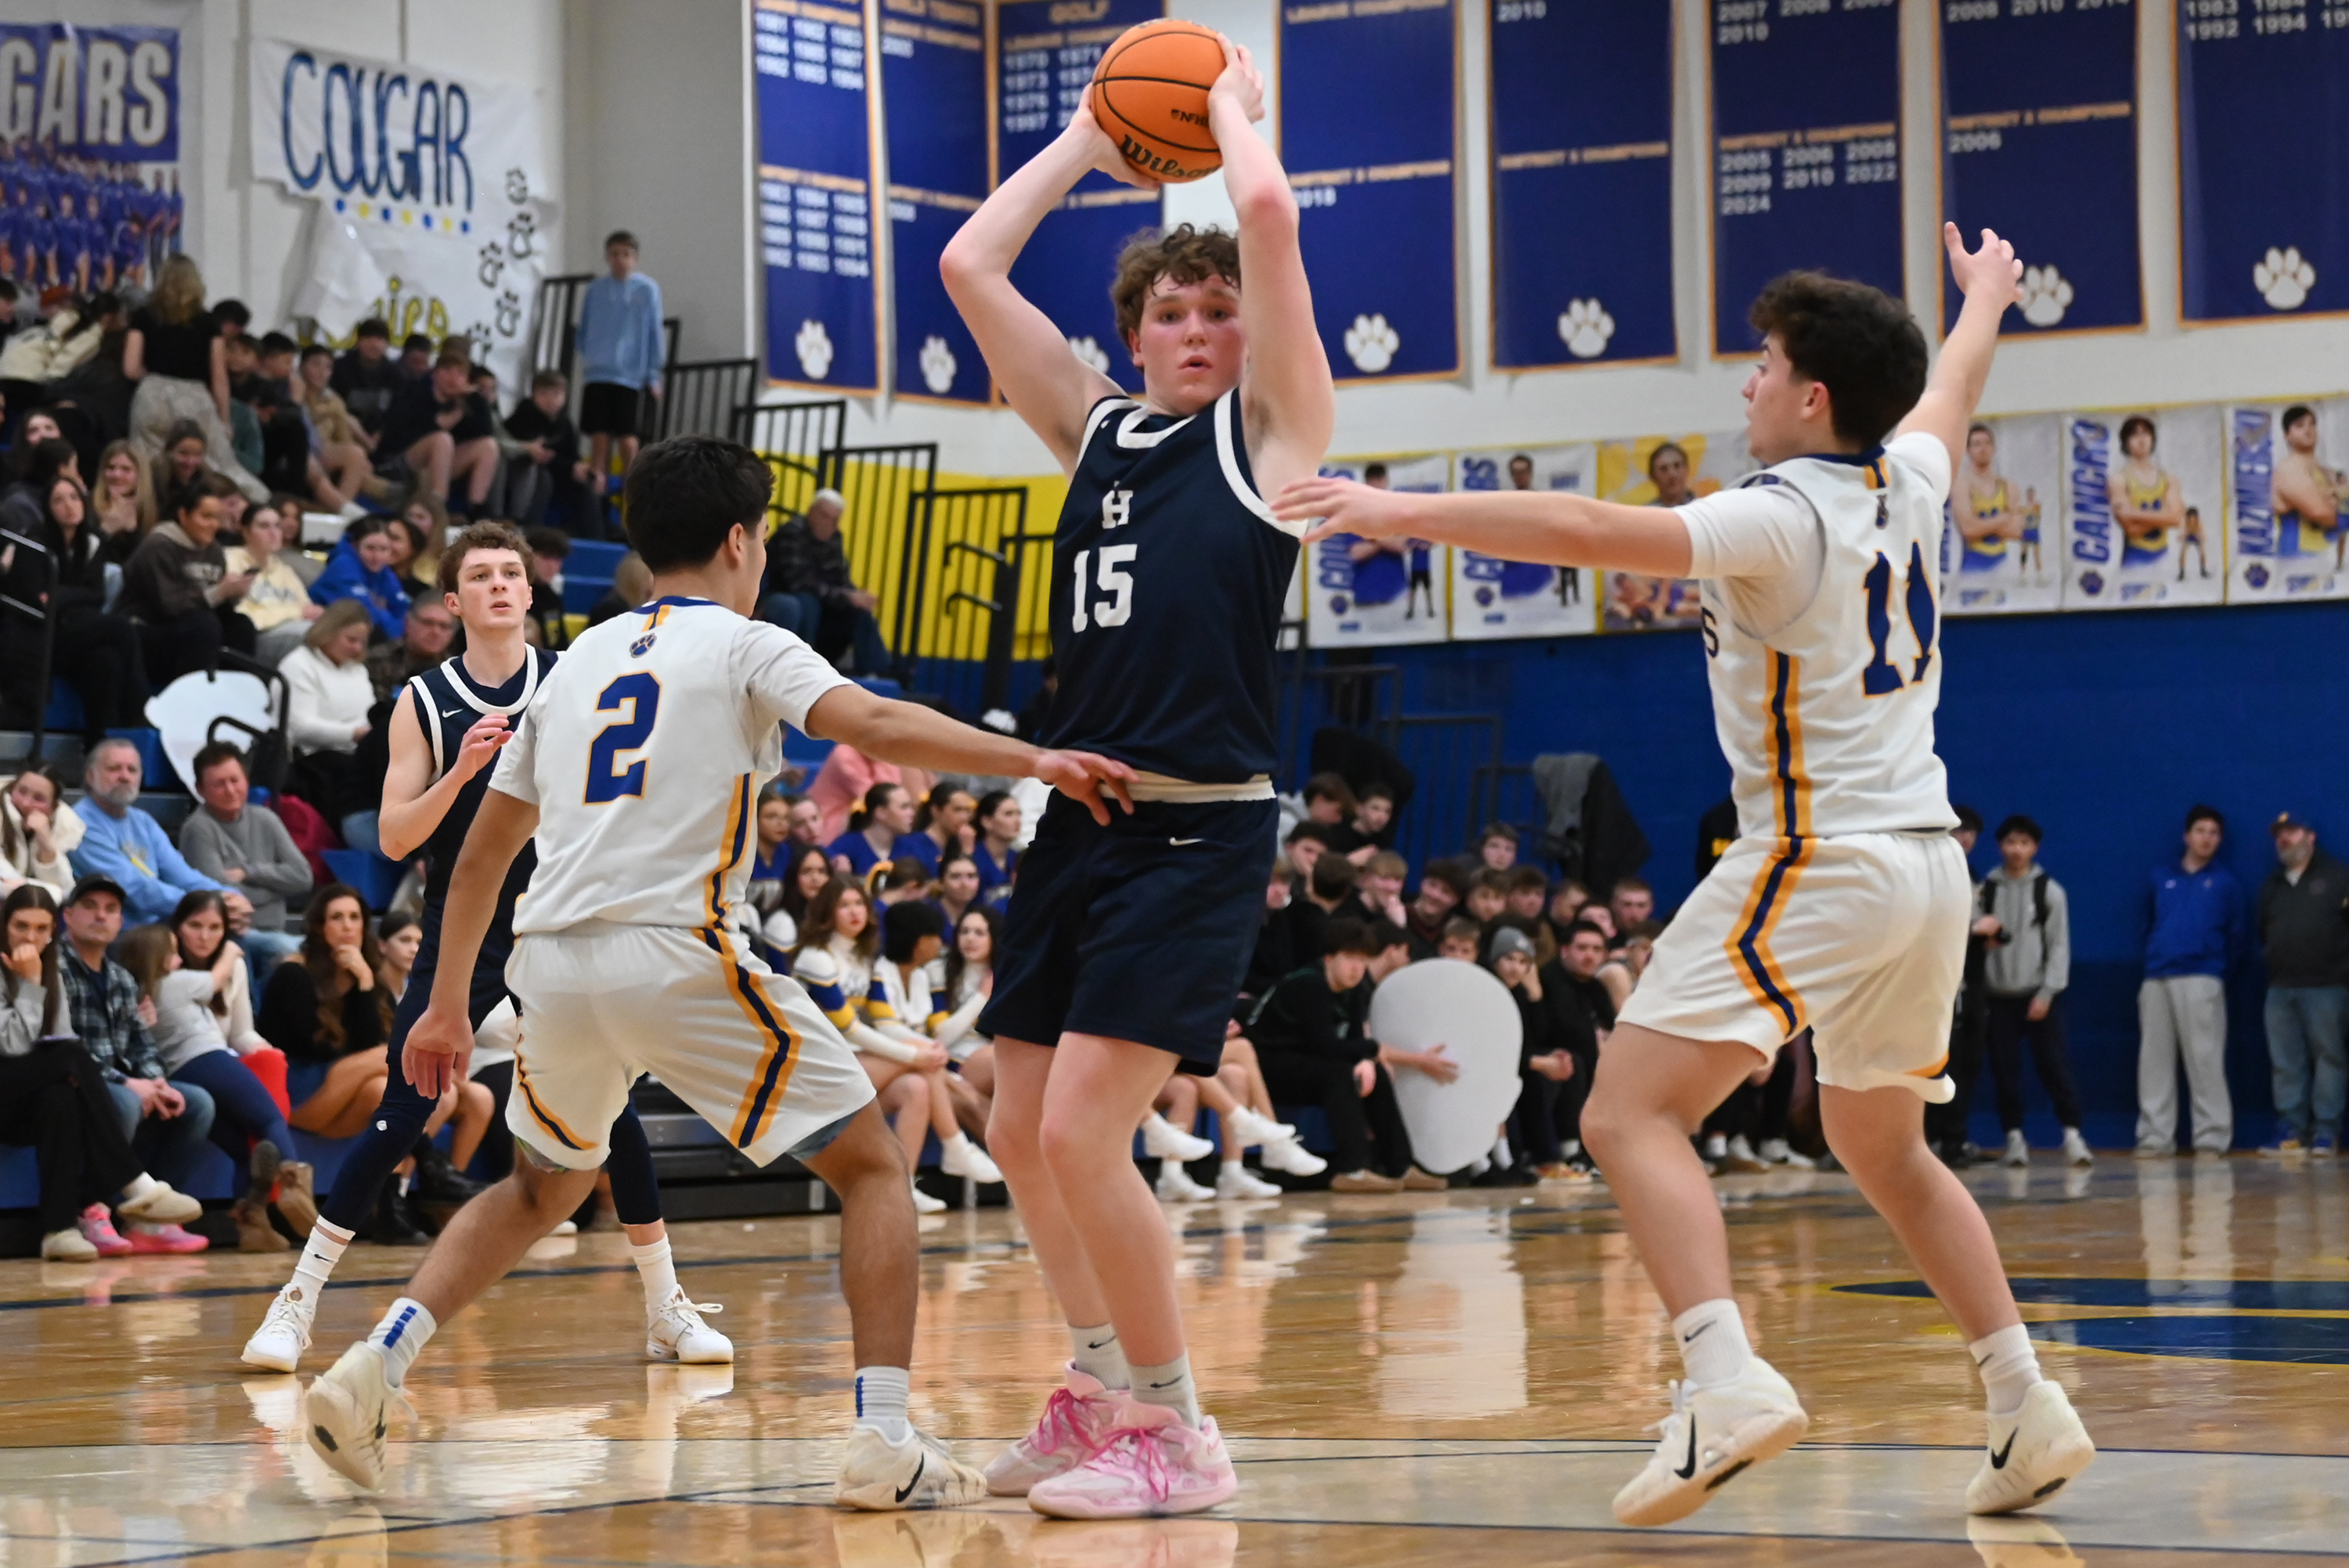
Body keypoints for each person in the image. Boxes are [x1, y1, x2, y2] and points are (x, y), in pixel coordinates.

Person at [1271, 226, 2094, 1523]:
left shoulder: (1778, 514)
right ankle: (2025, 1399)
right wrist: (1988, 294)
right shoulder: (1911, 477)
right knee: (1882, 1143)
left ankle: (1724, 1374)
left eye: (1763, 362)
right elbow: (1952, 389)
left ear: (1812, 395)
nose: (1746, 381)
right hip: (1931, 865)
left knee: (1625, 1114)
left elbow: (1585, 526)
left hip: (1819, 852)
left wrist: (1397, 509)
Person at [299, 434, 1131, 1507]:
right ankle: (884, 1437)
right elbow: (876, 720)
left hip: (551, 963)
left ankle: (372, 1366)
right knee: (875, 1168)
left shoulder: (575, 661)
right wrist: (1034, 758)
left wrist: (448, 1002)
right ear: (742, 541)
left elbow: (481, 856)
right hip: (675, 944)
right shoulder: (747, 643)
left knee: (540, 1185)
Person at [941, 37, 1334, 1508]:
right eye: (1172, 311)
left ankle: (1178, 1428)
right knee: (1012, 1121)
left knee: (1083, 1132)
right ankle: (1102, 1383)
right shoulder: (1095, 427)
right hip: (1082, 823)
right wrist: (1089, 145)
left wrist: (1226, 110)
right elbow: (971, 265)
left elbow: (1269, 215)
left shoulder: (1275, 436)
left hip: (1196, 832)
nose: (1199, 329)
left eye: (1220, 310)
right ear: (1136, 334)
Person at [243, 520, 729, 1375]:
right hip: (465, 922)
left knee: (615, 1111)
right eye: (481, 575)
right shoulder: (423, 701)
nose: (500, 584)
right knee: (403, 1108)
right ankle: (297, 1301)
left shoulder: (575, 678)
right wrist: (462, 772)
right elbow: (395, 837)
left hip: (565, 914)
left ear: (531, 593)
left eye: (511, 572)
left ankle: (666, 1305)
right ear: (453, 599)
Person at [0, 883, 209, 1262]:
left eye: (41, 928)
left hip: (26, 1096)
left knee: (60, 1098)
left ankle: (60, 1230)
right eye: (21, 926)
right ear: (4, 926)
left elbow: (55, 1043)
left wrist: (153, 1081)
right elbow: (13, 1046)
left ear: (52, 931)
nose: (30, 938)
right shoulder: (26, 973)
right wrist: (29, 986)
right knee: (71, 1055)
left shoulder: (52, 972)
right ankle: (136, 1185)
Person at [792, 879, 1001, 1211]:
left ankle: (904, 1187)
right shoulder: (815, 958)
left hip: (853, 1064)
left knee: (917, 1088)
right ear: (827, 913)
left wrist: (923, 1053)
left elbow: (883, 1020)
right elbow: (850, 1027)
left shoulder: (864, 960)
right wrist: (915, 1055)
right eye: (844, 905)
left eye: (859, 904)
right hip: (813, 1067)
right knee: (922, 1064)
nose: (854, 912)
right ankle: (955, 1146)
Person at [117, 913, 306, 1251]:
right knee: (269, 1120)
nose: (178, 958)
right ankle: (296, 1189)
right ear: (157, 958)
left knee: (246, 1150)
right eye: (172, 952)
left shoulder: (141, 997)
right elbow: (218, 978)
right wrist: (231, 950)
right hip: (205, 1059)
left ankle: (252, 1225)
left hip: (180, 1076)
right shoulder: (175, 981)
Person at [58, 873, 218, 1231]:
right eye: (90, 906)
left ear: (120, 921)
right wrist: (129, 1084)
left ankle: (152, 1219)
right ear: (68, 915)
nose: (101, 915)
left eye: (111, 909)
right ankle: (90, 1210)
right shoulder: (54, 969)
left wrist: (156, 1082)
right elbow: (65, 1048)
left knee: (197, 1104)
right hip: (74, 1083)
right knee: (125, 1103)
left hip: (123, 1082)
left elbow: (140, 1043)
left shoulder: (120, 978)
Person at [1247, 917, 1436, 1194]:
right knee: (1338, 1074)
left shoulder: (1354, 989)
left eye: (1362, 960)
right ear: (1330, 958)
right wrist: (1371, 1051)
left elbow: (1354, 1039)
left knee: (1376, 1074)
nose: (1356, 967)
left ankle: (1400, 1166)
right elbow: (1327, 1046)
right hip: (1270, 1065)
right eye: (1349, 958)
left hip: (1310, 1061)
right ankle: (1352, 1169)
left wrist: (1366, 1061)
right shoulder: (1308, 984)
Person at [0, 463, 149, 744]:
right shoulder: (34, 543)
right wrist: (72, 597)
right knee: (120, 628)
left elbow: (96, 595)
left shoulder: (91, 542)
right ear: (48, 508)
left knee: (107, 661)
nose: (69, 506)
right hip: (43, 635)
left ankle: (99, 745)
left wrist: (59, 595)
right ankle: (139, 709)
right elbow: (35, 600)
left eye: (74, 498)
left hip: (77, 628)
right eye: (59, 500)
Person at [1979, 816, 2091, 1168]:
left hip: (2039, 996)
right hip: (1998, 997)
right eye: (2011, 842)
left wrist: (2047, 993)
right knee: (2005, 1072)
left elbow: (2059, 946)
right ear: (2000, 846)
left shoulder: (2050, 891)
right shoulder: (1985, 891)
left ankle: (2072, 1135)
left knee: (2055, 1067)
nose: (2017, 850)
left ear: (2035, 848)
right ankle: (2014, 1138)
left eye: (2024, 843)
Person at [2138, 805, 2247, 1157]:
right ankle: (2155, 1137)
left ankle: (2212, 1137)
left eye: (2214, 833)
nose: (2207, 839)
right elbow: (2148, 924)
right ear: (2187, 836)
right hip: (2158, 978)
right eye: (2201, 831)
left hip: (2202, 977)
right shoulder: (2161, 877)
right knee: (2154, 1063)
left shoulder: (2226, 883)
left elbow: (2237, 936)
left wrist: (2215, 972)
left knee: (2205, 1062)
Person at [68, 737, 257, 929]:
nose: (125, 777)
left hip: (163, 927)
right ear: (90, 776)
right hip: (117, 933)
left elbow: (183, 875)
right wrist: (209, 906)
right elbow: (136, 889)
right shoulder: (79, 824)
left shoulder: (143, 821)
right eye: (114, 769)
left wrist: (229, 896)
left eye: (132, 770)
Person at [122, 254, 266, 501]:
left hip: (153, 396)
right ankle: (248, 507)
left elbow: (130, 368)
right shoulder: (208, 323)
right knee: (213, 466)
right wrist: (225, 420)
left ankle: (148, 512)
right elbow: (219, 377)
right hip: (194, 399)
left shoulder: (143, 316)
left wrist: (153, 376)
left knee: (147, 467)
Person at [2256, 812, 2349, 1157]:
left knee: (2329, 1058)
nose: (2284, 838)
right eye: (2279, 834)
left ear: (2311, 836)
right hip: (2280, 987)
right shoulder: (2272, 886)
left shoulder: (2338, 877)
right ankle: (2291, 1129)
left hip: (2328, 986)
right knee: (2285, 1062)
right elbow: (2262, 930)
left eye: (2292, 831)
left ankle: (2326, 1131)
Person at [119, 473, 255, 687]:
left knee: (241, 625)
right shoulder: (158, 546)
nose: (214, 525)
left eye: (218, 518)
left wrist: (233, 593)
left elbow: (213, 603)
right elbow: (170, 606)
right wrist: (219, 592)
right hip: (145, 631)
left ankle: (234, 693)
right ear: (183, 515)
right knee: (204, 625)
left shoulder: (214, 551)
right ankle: (192, 696)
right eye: (206, 517)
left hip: (191, 628)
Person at [177, 742, 313, 944]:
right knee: (291, 948)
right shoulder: (197, 828)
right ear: (201, 790)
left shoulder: (266, 819)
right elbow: (220, 895)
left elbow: (303, 876)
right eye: (219, 784)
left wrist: (250, 872)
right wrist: (276, 890)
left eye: (235, 780)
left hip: (276, 930)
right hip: (231, 935)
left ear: (247, 781)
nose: (230, 790)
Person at [760, 488, 893, 675]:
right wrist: (846, 596)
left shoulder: (834, 539)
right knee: (807, 602)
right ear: (811, 512)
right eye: (824, 516)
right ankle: (801, 667)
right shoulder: (792, 533)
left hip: (819, 602)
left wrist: (856, 597)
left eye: (834, 519)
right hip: (781, 596)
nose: (828, 523)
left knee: (858, 611)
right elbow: (798, 582)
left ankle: (879, 673)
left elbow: (840, 579)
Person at [577, 230, 666, 489]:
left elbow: (654, 332)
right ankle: (597, 491)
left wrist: (653, 374)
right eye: (615, 254)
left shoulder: (647, 290)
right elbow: (584, 327)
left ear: (635, 258)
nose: (620, 260)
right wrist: (590, 355)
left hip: (630, 375)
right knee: (599, 434)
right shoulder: (596, 289)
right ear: (607, 257)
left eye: (626, 254)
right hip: (597, 372)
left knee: (628, 436)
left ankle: (632, 490)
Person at [280, 601, 379, 830]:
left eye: (362, 642)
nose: (357, 648)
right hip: (312, 760)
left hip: (356, 752)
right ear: (329, 632)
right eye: (351, 640)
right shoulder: (299, 665)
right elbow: (299, 727)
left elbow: (369, 713)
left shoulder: (358, 670)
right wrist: (354, 734)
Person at [377, 342, 500, 511]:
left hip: (437, 468)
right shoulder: (415, 391)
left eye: (460, 373)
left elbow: (486, 431)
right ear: (434, 374)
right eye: (447, 370)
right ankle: (437, 508)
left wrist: (472, 401)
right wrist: (441, 421)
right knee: (442, 439)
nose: (453, 378)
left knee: (488, 446)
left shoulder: (463, 402)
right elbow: (398, 436)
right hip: (402, 463)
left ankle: (475, 510)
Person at [227, 499, 322, 665]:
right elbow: (247, 618)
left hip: (294, 629)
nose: (273, 533)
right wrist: (295, 613)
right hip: (258, 638)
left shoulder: (284, 569)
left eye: (277, 526)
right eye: (264, 526)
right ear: (246, 532)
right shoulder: (230, 560)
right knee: (313, 640)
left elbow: (308, 610)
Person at [505, 369, 595, 532]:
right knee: (543, 478)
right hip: (526, 472)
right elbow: (535, 455)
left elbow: (572, 455)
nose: (550, 400)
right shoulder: (523, 417)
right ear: (534, 395)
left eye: (556, 394)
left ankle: (592, 534)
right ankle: (532, 528)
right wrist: (570, 467)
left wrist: (580, 467)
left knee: (587, 482)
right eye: (544, 394)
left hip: (560, 474)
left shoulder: (565, 424)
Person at [308, 514, 413, 640]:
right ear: (355, 546)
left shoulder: (384, 572)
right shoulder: (343, 565)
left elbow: (406, 613)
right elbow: (365, 615)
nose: (377, 556)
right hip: (322, 632)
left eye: (384, 549)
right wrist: (388, 616)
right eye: (370, 548)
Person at [1953, 423, 2037, 576]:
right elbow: (1968, 530)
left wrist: (1980, 525)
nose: (1983, 449)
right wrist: (2004, 517)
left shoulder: (2008, 487)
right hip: (1972, 571)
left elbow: (2017, 531)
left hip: (2002, 569)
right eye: (1977, 444)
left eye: (1987, 443)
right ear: (1968, 450)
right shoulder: (1961, 486)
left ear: (1994, 448)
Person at [2272, 404, 2347, 567]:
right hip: (2299, 561)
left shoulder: (2322, 469)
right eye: (2300, 426)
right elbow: (2325, 515)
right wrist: (2339, 497)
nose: (2308, 430)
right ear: (2287, 435)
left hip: (2323, 559)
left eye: (2312, 423)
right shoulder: (2290, 469)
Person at [2111, 416, 2185, 569]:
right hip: (2134, 558)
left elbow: (2177, 519)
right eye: (2135, 435)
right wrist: (2164, 517)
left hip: (2164, 559)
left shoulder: (2169, 480)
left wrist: (2132, 513)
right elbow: (2130, 528)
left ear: (2153, 439)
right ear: (2125, 442)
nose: (2141, 440)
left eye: (2145, 434)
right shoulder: (2119, 480)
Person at [2, 765, 81, 899]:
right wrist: (54, 892)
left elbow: (67, 890)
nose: (26, 803)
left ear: (53, 809)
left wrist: (45, 842)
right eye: (22, 791)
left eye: (38, 798)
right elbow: (5, 882)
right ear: (11, 789)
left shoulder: (61, 829)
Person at [829, 780, 920, 880]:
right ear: (880, 812)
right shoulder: (847, 846)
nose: (911, 813)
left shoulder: (911, 847)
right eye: (904, 807)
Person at [330, 318, 404, 437]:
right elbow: (335, 408)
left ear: (387, 344)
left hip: (384, 437)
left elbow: (398, 412)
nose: (374, 344)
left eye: (379, 339)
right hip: (345, 432)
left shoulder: (395, 374)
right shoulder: (339, 369)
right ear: (358, 341)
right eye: (368, 338)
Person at [971, 789, 1022, 899]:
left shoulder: (1017, 858)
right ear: (986, 821)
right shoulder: (973, 858)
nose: (1017, 820)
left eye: (1019, 814)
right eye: (1009, 814)